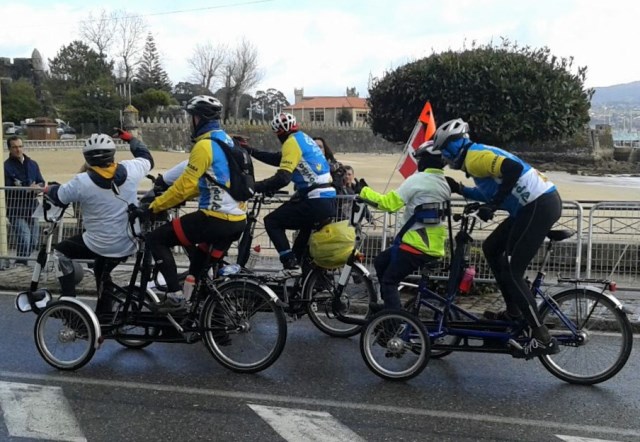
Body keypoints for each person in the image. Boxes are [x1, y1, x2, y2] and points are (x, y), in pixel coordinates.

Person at [437, 118, 562, 358]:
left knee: (514, 272)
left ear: (453, 147)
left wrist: (493, 206)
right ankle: (513, 312)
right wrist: (461, 189)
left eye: (444, 150)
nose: (445, 157)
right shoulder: (475, 164)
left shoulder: (475, 157)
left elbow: (512, 170)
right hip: (532, 206)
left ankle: (541, 337)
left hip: (538, 205)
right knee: (492, 248)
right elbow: (493, 191)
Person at [145, 95, 247, 310]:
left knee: (156, 239)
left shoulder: (204, 146)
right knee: (199, 269)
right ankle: (215, 326)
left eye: (190, 117)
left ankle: (174, 297)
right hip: (237, 219)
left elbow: (184, 185)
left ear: (198, 119)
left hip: (214, 218)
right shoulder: (228, 141)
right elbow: (198, 187)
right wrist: (172, 200)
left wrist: (155, 206)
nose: (189, 122)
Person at [44, 131, 153, 313]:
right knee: (102, 271)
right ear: (112, 153)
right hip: (129, 242)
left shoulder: (82, 181)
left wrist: (48, 188)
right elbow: (146, 157)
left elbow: (59, 196)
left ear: (87, 158)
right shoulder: (131, 169)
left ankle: (68, 299)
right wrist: (130, 139)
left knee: (60, 252)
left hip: (98, 244)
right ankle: (104, 315)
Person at [359, 141, 451, 311]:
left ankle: (393, 321)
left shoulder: (418, 180)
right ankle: (390, 307)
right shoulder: (444, 183)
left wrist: (364, 191)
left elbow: (389, 204)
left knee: (389, 281)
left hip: (415, 244)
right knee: (381, 262)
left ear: (424, 160)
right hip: (433, 246)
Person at [243, 113, 336, 277]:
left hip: (315, 199)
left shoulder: (291, 143)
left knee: (272, 221)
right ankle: (298, 287)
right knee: (299, 244)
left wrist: (254, 187)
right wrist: (250, 150)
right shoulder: (303, 138)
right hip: (326, 199)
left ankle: (290, 264)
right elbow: (278, 159)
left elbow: (283, 178)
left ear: (279, 133)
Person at [4, 136, 45, 265]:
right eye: (15, 147)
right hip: (16, 209)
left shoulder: (32, 164)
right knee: (25, 239)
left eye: (20, 146)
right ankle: (21, 264)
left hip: (32, 208)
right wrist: (27, 188)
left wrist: (39, 187)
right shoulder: (6, 167)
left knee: (34, 241)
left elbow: (41, 180)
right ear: (9, 149)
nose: (18, 149)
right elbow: (7, 187)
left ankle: (21, 262)